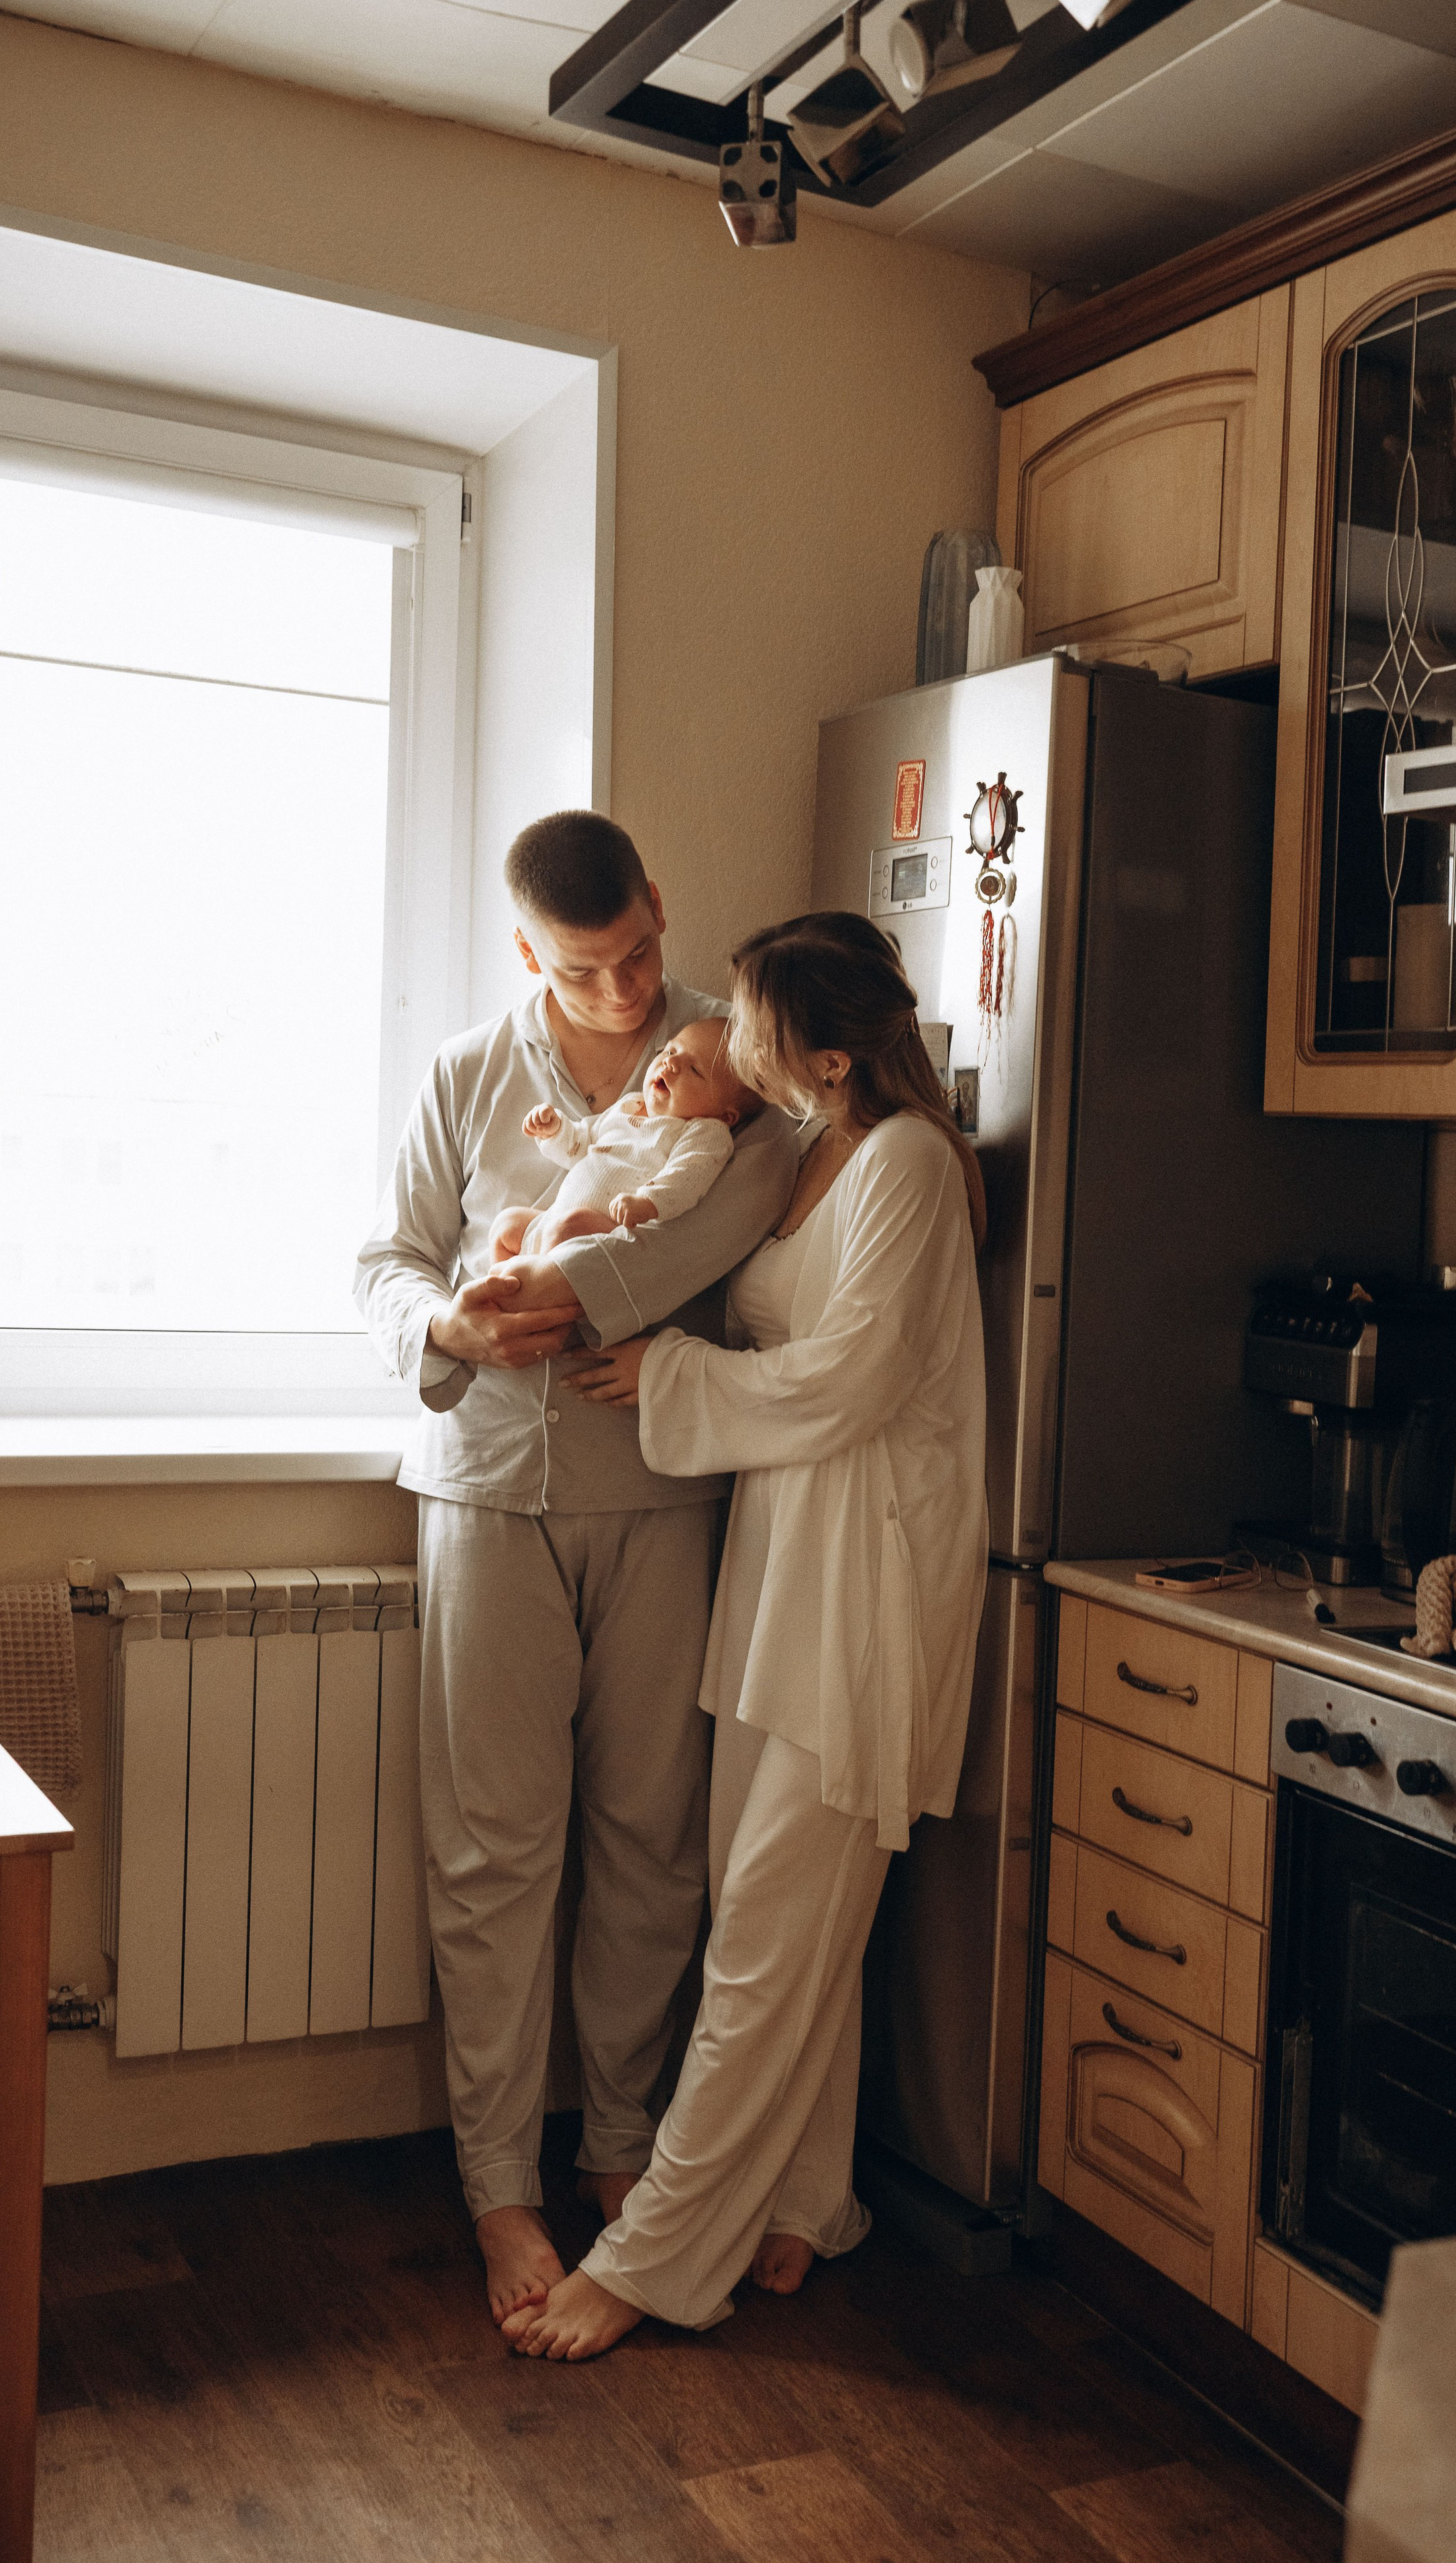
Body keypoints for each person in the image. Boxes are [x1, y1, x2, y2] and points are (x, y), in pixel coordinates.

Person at [503, 909, 988, 2361]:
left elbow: (850, 1379)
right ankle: (805, 2194)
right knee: (775, 1915)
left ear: (828, 1055)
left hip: (862, 1580)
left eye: (757, 1022)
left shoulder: (904, 1163)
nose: (725, 1032)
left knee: (770, 1934)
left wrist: (670, 1370)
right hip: (780, 1557)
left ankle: (656, 2258)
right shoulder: (805, 1150)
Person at [353, 812, 798, 2327]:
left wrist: (560, 1285)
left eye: (638, 956)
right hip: (483, 1489)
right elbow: (381, 1262)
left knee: (650, 1836)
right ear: (528, 953)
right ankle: (498, 2186)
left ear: (659, 908)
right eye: (586, 970)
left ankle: (622, 2148)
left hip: (662, 1490)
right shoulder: (463, 1072)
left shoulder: (729, 1057)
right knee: (490, 1850)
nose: (623, 991)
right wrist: (456, 1329)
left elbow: (733, 1216)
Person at [492, 1019, 760, 1258]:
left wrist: (648, 1202)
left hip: (606, 1232)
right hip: (555, 1219)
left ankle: (524, 1295)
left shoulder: (704, 1132)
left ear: (727, 1116)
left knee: (569, 1226)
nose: (671, 1063)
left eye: (694, 1069)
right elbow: (582, 1144)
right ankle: (506, 1290)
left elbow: (687, 1177)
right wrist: (556, 1131)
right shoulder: (629, 1105)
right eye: (671, 1050)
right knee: (507, 1224)